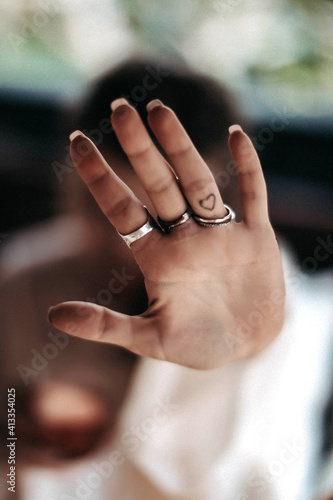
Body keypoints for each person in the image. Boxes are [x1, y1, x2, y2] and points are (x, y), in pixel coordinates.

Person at [1, 58, 332, 499]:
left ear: (220, 192)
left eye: (160, 219)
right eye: (108, 210)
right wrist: (10, 441)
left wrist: (244, 356)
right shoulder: (27, 280)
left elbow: (259, 476)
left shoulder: (274, 306)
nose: (128, 247)